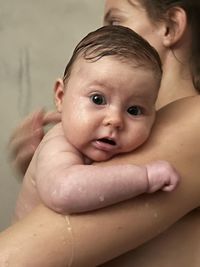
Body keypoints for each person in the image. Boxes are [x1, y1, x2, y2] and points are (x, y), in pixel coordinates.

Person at [1, 0, 200, 266]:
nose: (107, 34)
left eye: (115, 21)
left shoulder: (191, 122)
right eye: (97, 99)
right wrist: (44, 169)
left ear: (171, 26)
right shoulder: (134, 134)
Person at [14, 25, 180, 220]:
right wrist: (145, 177)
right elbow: (63, 191)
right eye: (98, 100)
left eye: (134, 110)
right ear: (61, 96)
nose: (115, 120)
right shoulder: (58, 142)